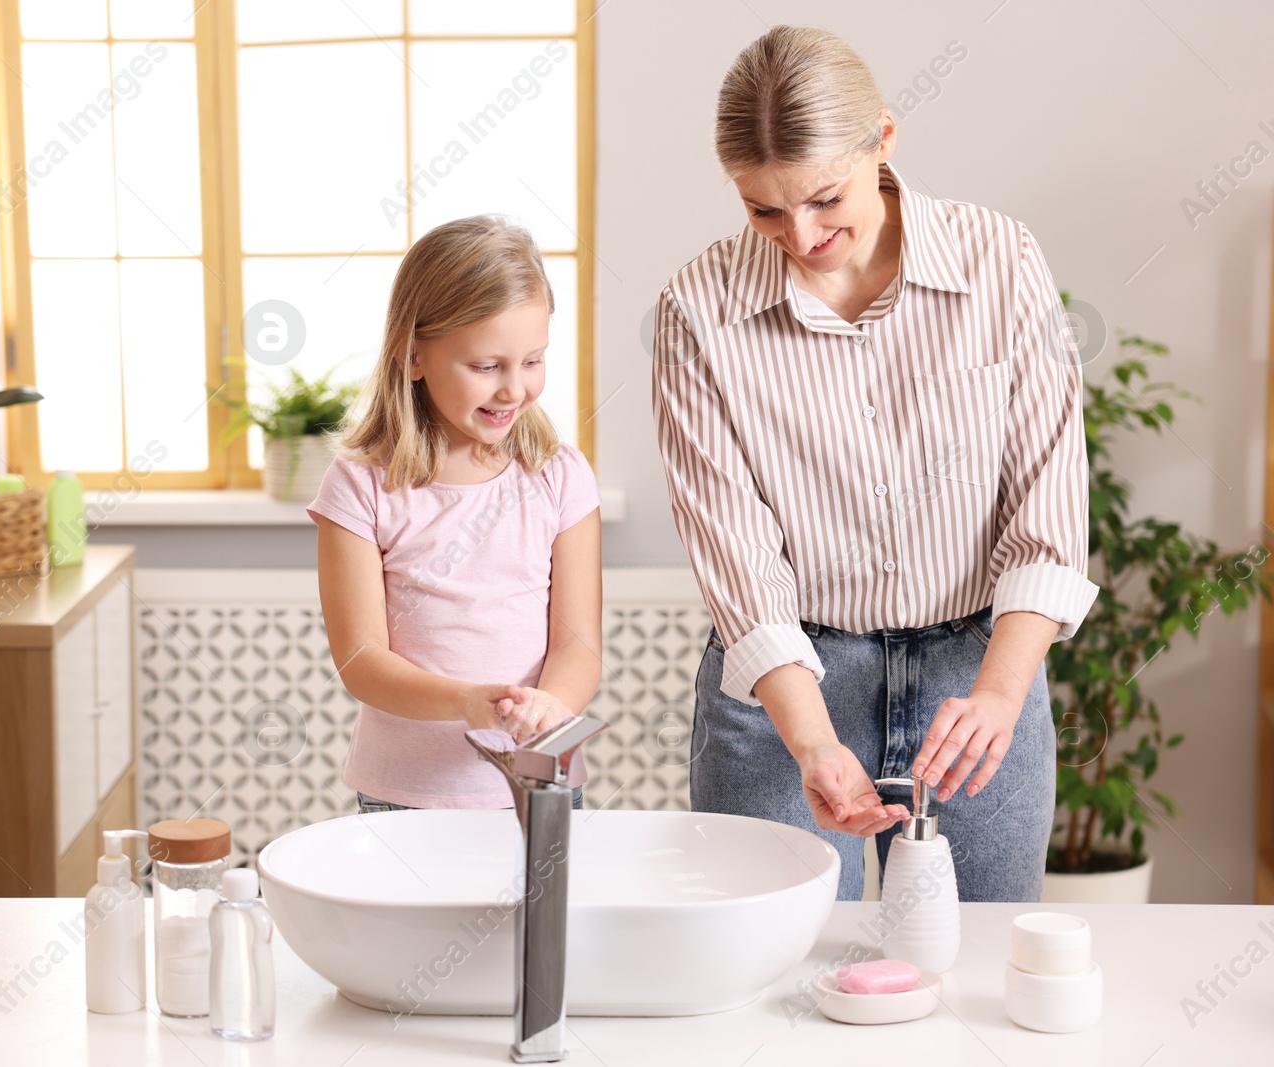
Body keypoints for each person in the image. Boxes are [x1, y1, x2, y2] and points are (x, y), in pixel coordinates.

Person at [651, 25, 1098, 901]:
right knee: (766, 986)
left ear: (883, 140)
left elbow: (1048, 505)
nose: (801, 233)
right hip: (786, 690)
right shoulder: (696, 312)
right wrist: (813, 741)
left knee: (971, 980)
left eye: (824, 197)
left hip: (977, 677)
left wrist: (1002, 696)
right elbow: (737, 558)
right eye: (763, 209)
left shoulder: (998, 262)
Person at [306, 214, 603, 814]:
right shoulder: (361, 486)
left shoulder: (560, 476)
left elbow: (578, 646)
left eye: (532, 361)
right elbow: (362, 662)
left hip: (542, 784)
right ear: (414, 357)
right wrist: (468, 702)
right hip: (406, 796)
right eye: (486, 366)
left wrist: (551, 706)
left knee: (539, 914)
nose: (514, 390)